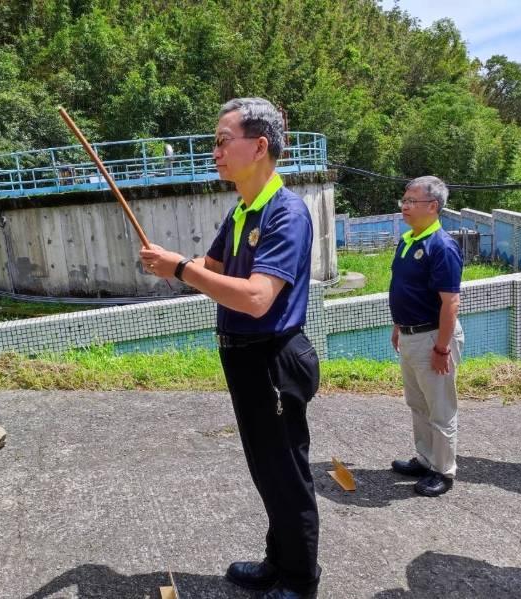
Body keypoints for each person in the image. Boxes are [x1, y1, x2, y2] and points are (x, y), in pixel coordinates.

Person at [140, 97, 321, 599]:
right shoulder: (243, 209)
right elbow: (214, 267)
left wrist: (181, 269)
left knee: (286, 471)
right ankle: (276, 560)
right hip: (243, 356)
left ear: (258, 146)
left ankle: (301, 579)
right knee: (266, 467)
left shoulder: (287, 213)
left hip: (273, 358)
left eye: (223, 141)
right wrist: (174, 263)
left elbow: (260, 299)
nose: (215, 152)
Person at [388, 176, 464, 497]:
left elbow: (451, 303)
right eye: (403, 200)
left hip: (433, 338)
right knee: (417, 403)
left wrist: (442, 348)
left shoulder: (442, 246)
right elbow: (405, 289)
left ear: (432, 207)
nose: (404, 206)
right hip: (410, 335)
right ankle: (425, 458)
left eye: (411, 201)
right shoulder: (408, 240)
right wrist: (398, 326)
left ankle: (443, 471)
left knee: (440, 408)